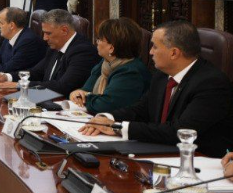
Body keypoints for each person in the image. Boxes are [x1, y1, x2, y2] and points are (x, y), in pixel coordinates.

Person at [79, 20, 233, 157]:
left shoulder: (211, 83)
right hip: (161, 152)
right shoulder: (161, 76)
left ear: (174, 53)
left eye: (155, 46)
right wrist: (107, 118)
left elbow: (180, 131)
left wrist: (118, 128)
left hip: (200, 161)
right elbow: (141, 109)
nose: (150, 52)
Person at [0, 9, 100, 96]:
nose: (44, 38)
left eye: (48, 33)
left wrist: (20, 85)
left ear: (64, 30)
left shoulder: (83, 51)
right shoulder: (54, 47)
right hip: (45, 98)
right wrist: (6, 77)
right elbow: (36, 72)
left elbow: (62, 86)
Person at [69, 18, 152, 114]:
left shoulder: (131, 72)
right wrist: (76, 94)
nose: (96, 42)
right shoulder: (105, 63)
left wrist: (86, 98)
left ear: (111, 48)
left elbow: (104, 105)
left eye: (99, 39)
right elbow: (84, 90)